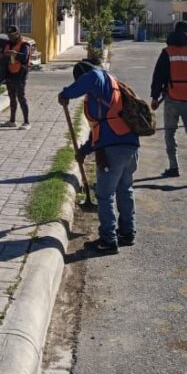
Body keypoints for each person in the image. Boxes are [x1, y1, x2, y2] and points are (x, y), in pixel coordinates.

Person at [58, 59, 140, 255]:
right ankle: (127, 232)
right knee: (125, 189)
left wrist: (65, 94)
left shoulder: (97, 77)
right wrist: (84, 151)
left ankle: (108, 240)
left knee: (104, 194)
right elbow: (100, 128)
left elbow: (89, 79)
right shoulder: (112, 87)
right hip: (130, 145)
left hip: (113, 148)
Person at [150, 20, 187, 182]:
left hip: (173, 97)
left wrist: (155, 97)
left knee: (170, 131)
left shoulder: (168, 52)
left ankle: (173, 167)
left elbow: (158, 76)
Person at [1, 26, 32, 129]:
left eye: (12, 35)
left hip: (20, 74)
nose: (10, 37)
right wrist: (3, 55)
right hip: (9, 74)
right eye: (8, 35)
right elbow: (2, 55)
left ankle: (26, 122)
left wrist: (15, 54)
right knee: (12, 98)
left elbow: (25, 57)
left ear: (18, 34)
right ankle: (12, 121)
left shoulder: (24, 44)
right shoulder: (8, 44)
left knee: (21, 97)